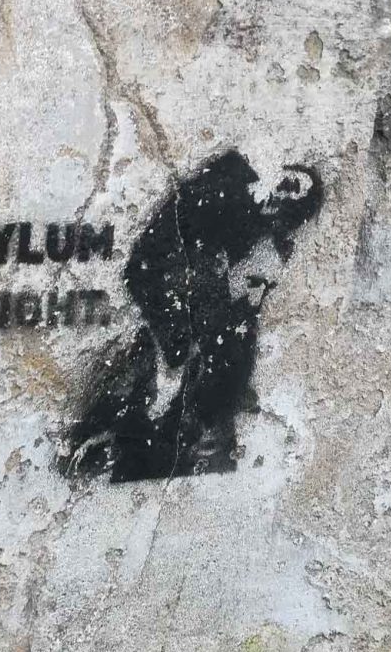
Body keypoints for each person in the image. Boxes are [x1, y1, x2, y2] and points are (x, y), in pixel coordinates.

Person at [61, 149, 322, 483]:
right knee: (182, 356)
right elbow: (168, 255)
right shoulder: (234, 183)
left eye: (289, 202)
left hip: (184, 276)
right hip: (167, 272)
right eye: (287, 186)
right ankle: (112, 436)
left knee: (207, 349)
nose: (282, 196)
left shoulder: (254, 208)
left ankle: (164, 428)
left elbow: (231, 275)